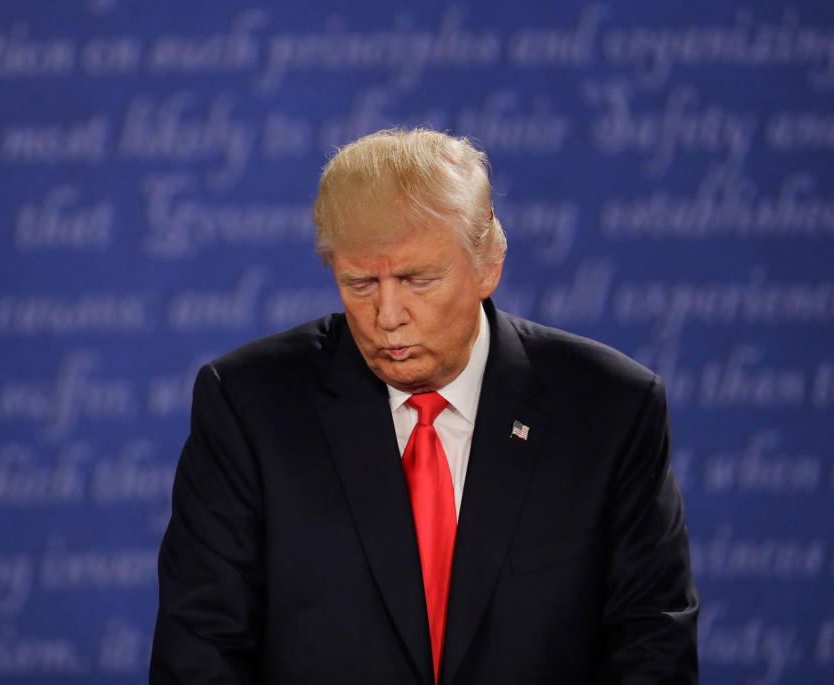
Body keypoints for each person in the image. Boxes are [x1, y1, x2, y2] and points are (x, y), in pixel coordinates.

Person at [150, 128, 699, 684]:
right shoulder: (249, 408)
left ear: (488, 264)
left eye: (417, 279)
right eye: (360, 283)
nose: (387, 315)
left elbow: (651, 644)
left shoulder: (610, 411)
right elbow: (199, 652)